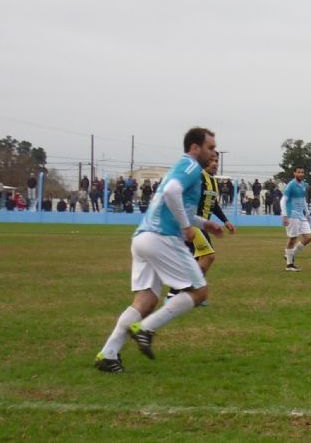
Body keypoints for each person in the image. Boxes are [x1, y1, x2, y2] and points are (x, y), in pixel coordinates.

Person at [94, 127, 225, 373]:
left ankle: (108, 354)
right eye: (210, 148)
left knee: (146, 300)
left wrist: (202, 223)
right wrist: (186, 228)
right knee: (200, 291)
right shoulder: (190, 167)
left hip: (143, 238)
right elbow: (171, 192)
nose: (213, 152)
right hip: (163, 238)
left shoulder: (183, 169)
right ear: (195, 148)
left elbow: (176, 202)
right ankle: (146, 328)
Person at [165, 152, 236, 304]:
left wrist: (225, 220)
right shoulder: (198, 177)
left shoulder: (213, 181)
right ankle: (183, 293)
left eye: (217, 160)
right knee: (208, 256)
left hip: (202, 226)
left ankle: (181, 293)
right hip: (193, 224)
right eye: (212, 160)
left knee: (193, 260)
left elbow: (213, 204)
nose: (215, 163)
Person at [280, 167, 311, 272]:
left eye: (302, 172)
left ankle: (290, 254)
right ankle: (289, 265)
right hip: (292, 215)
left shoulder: (303, 185)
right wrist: (284, 215)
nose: (300, 174)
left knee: (308, 237)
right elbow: (283, 200)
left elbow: (303, 200)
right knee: (293, 239)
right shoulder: (291, 185)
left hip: (301, 215)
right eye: (298, 172)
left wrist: (307, 213)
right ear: (294, 173)